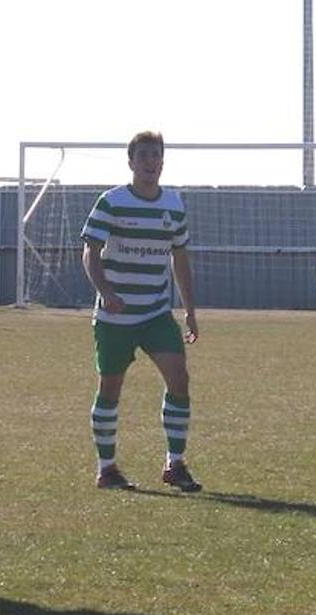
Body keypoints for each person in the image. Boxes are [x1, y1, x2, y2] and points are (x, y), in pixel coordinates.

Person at [81, 130, 202, 492]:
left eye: (156, 155)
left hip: (154, 313)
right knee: (111, 389)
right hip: (116, 316)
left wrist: (190, 310)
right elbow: (90, 251)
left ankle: (175, 464)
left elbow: (180, 258)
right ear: (131, 162)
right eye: (144, 156)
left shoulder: (173, 205)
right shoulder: (111, 202)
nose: (151, 162)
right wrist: (105, 291)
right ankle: (107, 469)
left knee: (179, 380)